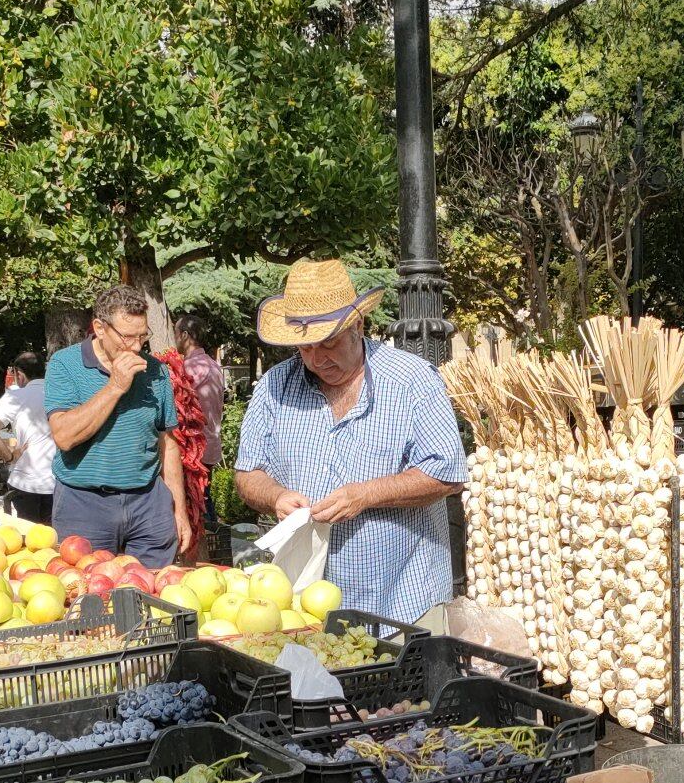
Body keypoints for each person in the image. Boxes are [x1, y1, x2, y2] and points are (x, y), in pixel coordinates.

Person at [234, 259, 466, 624]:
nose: (316, 359)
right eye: (305, 347)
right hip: (304, 609)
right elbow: (248, 474)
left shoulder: (412, 380)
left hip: (403, 601)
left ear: (358, 325)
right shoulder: (274, 387)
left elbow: (446, 474)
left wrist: (365, 495)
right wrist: (275, 496)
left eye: (328, 342)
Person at [45, 287, 191, 564]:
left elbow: (168, 443)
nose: (136, 347)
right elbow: (64, 436)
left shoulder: (156, 371)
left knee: (156, 585)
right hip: (84, 504)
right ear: (100, 328)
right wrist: (115, 386)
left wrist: (179, 510)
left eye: (142, 336)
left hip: (148, 503)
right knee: (86, 586)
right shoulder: (64, 364)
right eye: (127, 337)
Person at [0, 351, 55, 523]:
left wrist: (9, 456)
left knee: (27, 537)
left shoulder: (16, 397)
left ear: (19, 374)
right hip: (59, 483)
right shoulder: (60, 393)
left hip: (25, 482)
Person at [176, 315, 226, 468]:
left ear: (184, 335)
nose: (175, 339)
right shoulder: (213, 365)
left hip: (193, 450)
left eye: (176, 333)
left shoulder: (190, 367)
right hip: (210, 447)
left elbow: (176, 404)